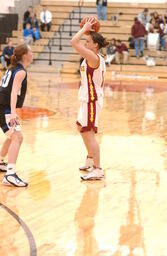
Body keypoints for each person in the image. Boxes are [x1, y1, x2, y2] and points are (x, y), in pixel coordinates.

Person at [71, 17, 108, 180]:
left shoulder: (93, 58)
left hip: (92, 101)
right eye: (85, 41)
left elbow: (74, 42)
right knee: (82, 129)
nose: (85, 43)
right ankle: (90, 158)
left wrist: (85, 27)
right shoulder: (91, 57)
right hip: (87, 100)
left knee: (89, 133)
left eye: (88, 41)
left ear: (95, 45)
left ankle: (98, 169)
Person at [0, 43, 33, 187]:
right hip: (5, 107)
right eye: (30, 51)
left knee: (12, 135)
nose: (32, 54)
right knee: (17, 137)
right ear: (25, 55)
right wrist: (13, 112)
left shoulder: (12, 68)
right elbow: (13, 92)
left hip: (3, 105)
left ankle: (0, 161)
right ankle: (10, 174)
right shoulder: (21, 72)